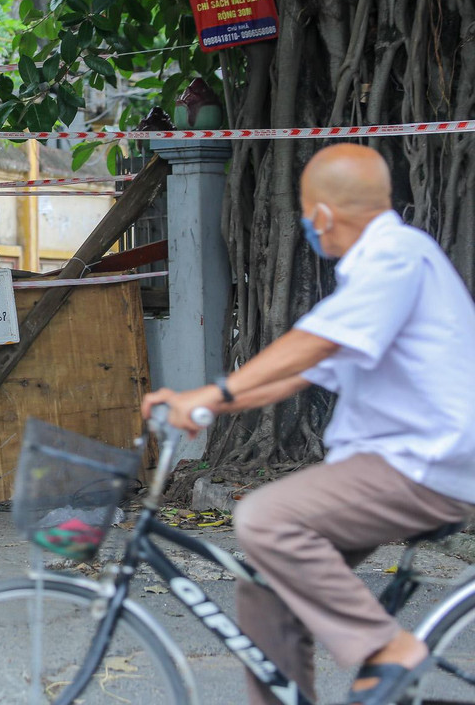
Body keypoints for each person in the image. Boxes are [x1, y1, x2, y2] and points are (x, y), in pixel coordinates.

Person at [141, 143, 475, 705]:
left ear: (321, 214)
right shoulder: (373, 270)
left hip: (425, 463)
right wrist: (205, 406)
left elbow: (315, 342)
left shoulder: (396, 257)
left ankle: (383, 647)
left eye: (305, 212)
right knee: (268, 588)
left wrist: (214, 389)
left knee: (265, 518)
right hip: (394, 461)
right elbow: (302, 373)